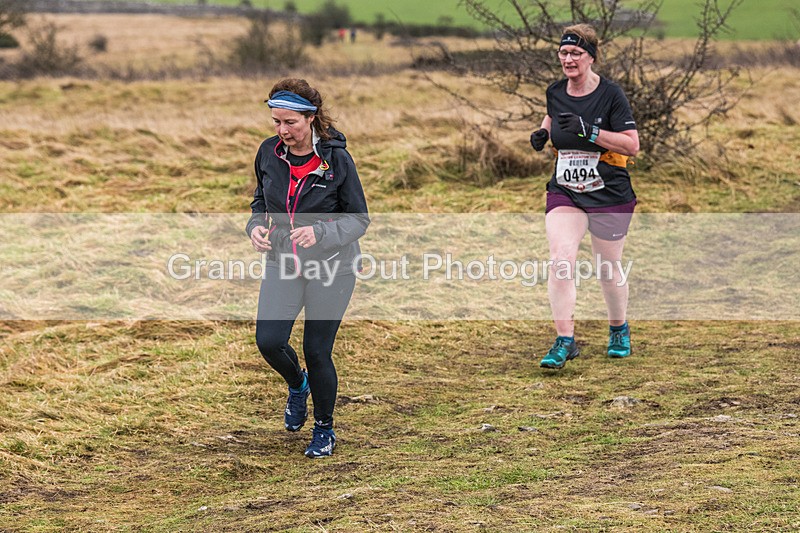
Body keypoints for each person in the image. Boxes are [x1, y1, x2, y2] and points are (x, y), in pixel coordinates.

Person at [246, 78, 369, 457]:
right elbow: (259, 203)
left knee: (317, 351)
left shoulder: (337, 160)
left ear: (311, 119)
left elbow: (359, 219)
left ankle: (324, 429)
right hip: (283, 262)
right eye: (276, 122)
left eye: (290, 123)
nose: (282, 131)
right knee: (268, 341)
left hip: (332, 268)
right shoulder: (268, 153)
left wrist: (321, 233)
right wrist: (255, 228)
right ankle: (297, 385)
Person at [529, 24, 639, 369]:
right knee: (561, 260)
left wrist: (589, 130)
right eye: (563, 53)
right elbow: (553, 113)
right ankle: (565, 340)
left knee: (608, 268)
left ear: (591, 57)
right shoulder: (555, 90)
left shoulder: (610, 94)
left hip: (609, 191)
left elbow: (632, 145)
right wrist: (542, 132)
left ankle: (619, 328)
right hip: (566, 190)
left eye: (576, 53)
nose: (568, 59)